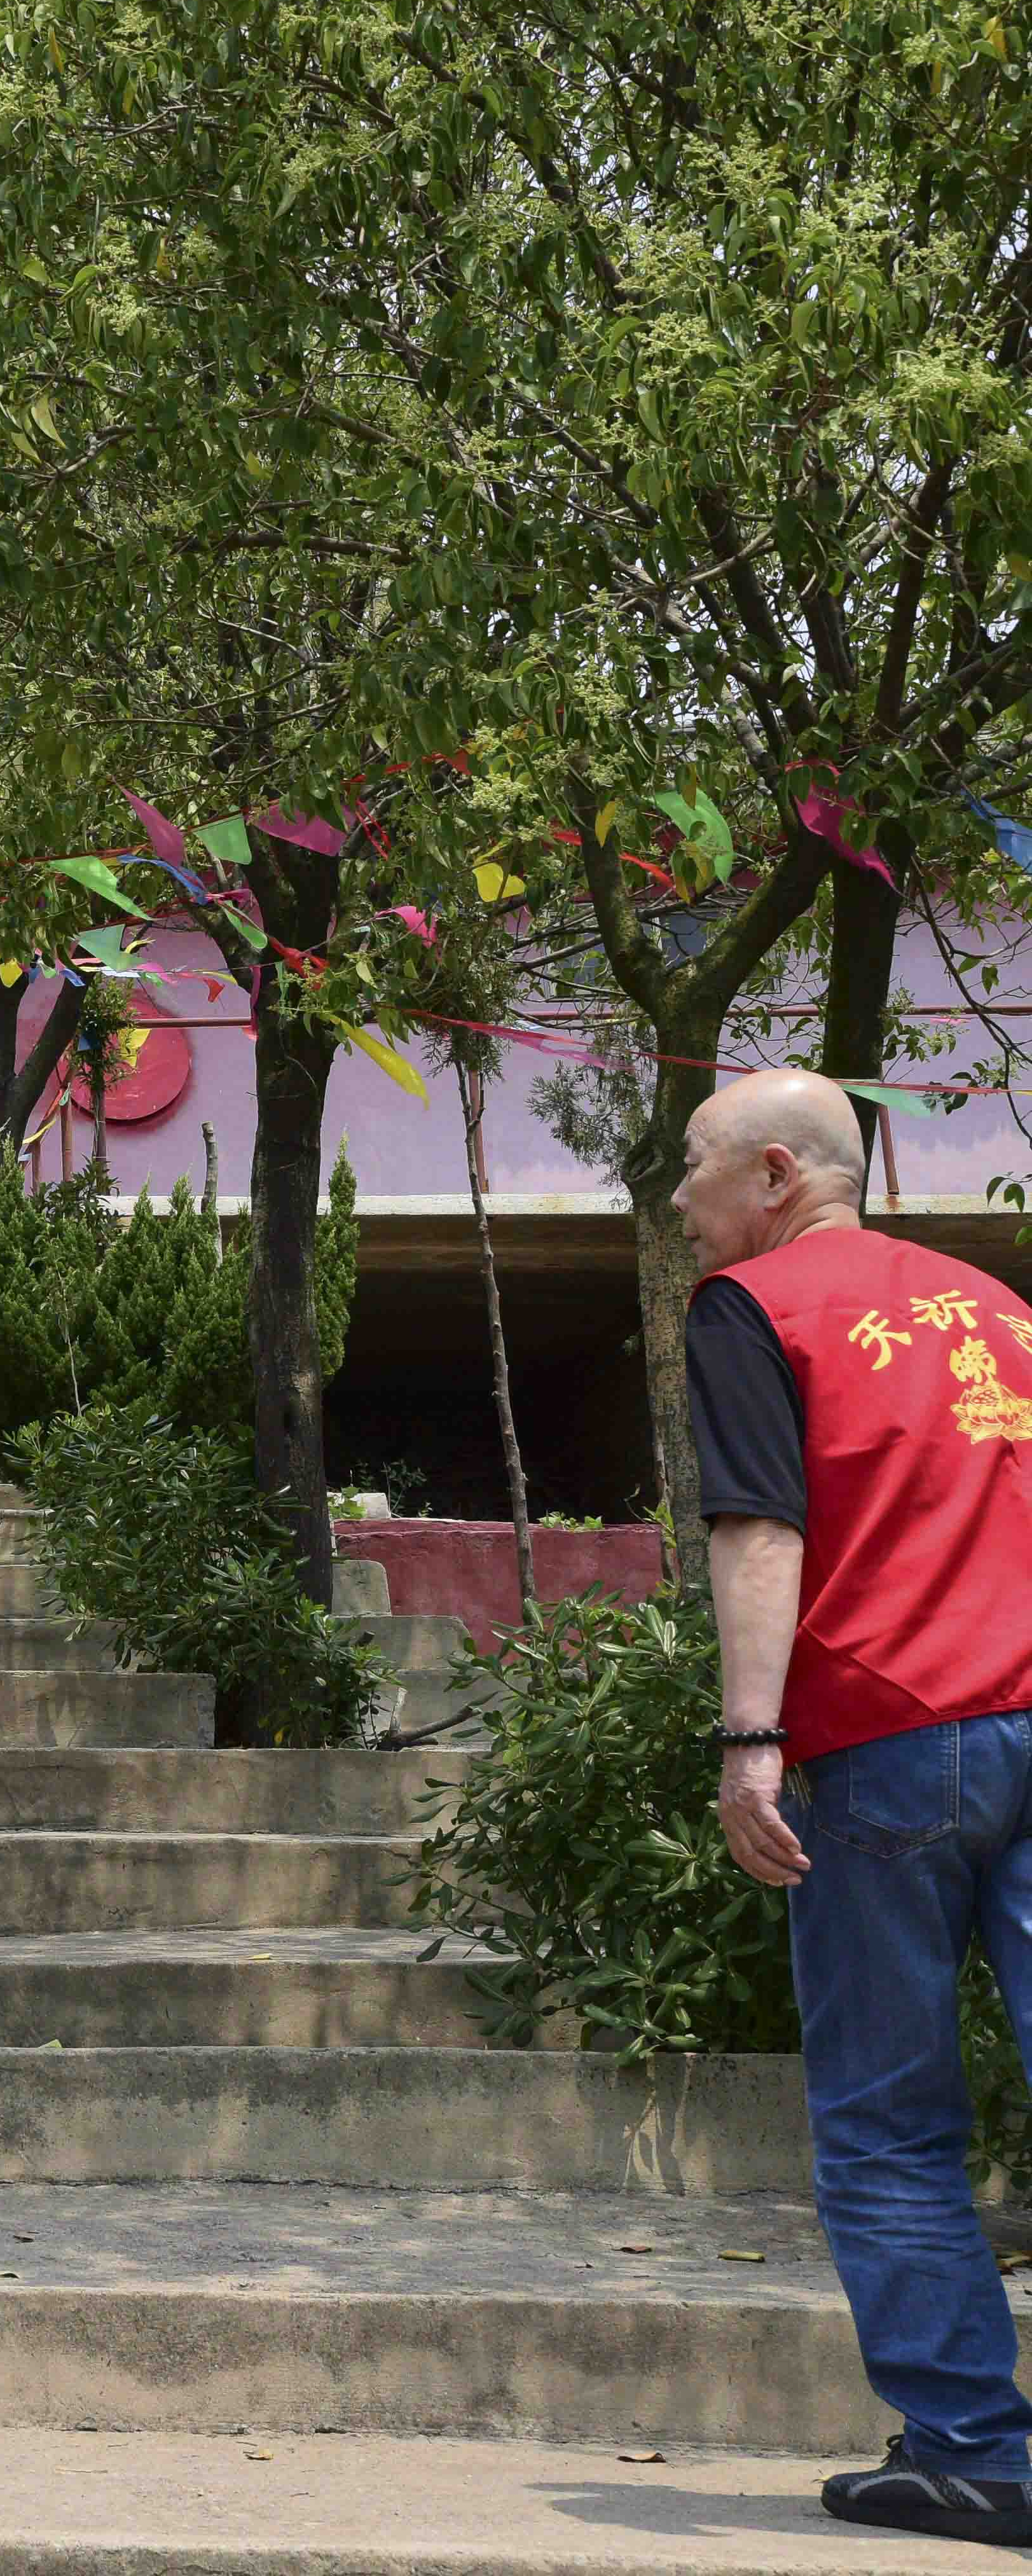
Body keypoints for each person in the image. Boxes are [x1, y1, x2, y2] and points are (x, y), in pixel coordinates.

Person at [689, 1066, 1032, 2548]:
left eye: (695, 1165)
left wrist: (749, 1739)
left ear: (775, 1172)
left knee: (887, 2121)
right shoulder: (999, 1306)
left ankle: (974, 2447)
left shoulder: (752, 1307)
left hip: (897, 1738)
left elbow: (759, 1525)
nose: (680, 1193)